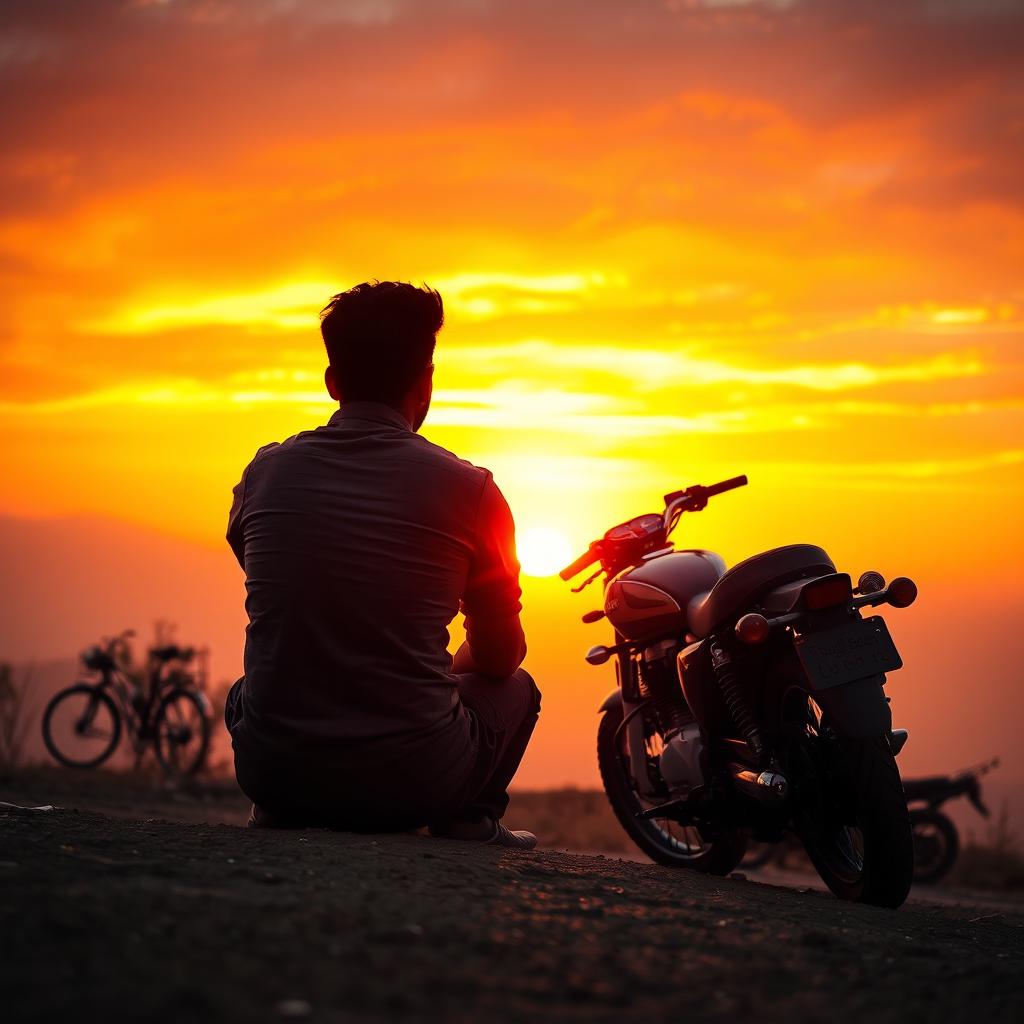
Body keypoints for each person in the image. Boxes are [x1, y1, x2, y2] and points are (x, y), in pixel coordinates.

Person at [224, 281, 540, 849]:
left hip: (274, 772)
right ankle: (469, 818)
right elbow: (500, 655)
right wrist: (446, 674)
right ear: (426, 382)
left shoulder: (264, 475)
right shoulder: (471, 491)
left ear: (332, 382)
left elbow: (281, 588)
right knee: (517, 688)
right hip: (412, 784)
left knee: (247, 686)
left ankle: (274, 810)